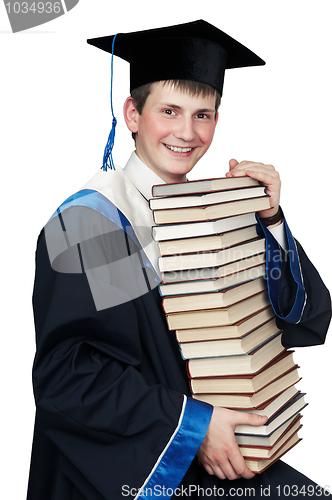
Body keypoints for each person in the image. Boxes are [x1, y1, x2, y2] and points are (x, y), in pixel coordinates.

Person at [26, 20, 331, 499]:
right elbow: (74, 378)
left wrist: (270, 220)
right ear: (132, 113)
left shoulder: (213, 209)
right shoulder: (97, 223)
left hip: (215, 453)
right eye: (169, 110)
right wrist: (194, 427)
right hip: (132, 467)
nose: (187, 133)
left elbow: (294, 321)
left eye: (203, 115)